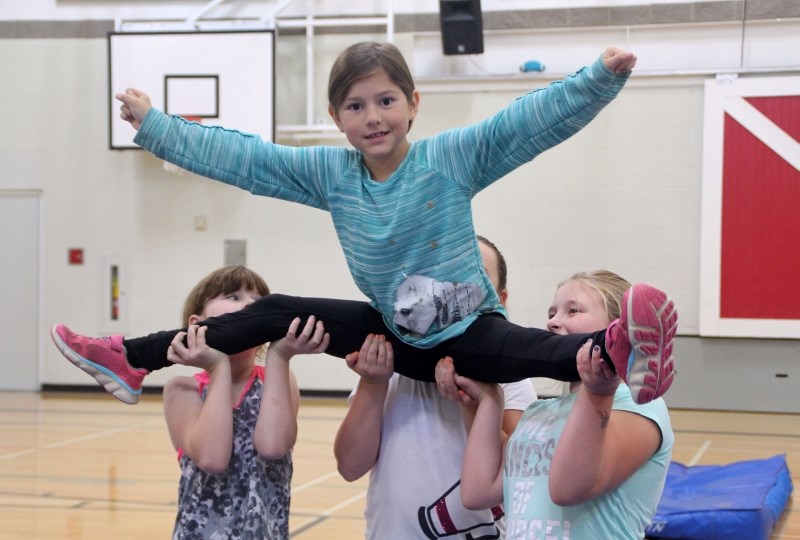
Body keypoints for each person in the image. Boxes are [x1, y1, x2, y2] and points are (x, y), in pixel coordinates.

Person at [50, 41, 677, 407]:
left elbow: (525, 124)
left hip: (466, 329)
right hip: (392, 333)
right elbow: (243, 159)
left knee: (521, 349)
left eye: (385, 101)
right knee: (274, 311)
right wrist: (157, 127)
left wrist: (600, 78)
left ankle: (614, 354)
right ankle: (131, 360)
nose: (373, 117)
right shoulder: (332, 174)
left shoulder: (449, 159)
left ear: (412, 104)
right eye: (355, 106)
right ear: (335, 116)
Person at [436, 270, 674, 539]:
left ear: (618, 325)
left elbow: (568, 488)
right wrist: (486, 400)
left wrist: (597, 393)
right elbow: (480, 490)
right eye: (551, 314)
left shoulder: (640, 406)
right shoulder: (540, 413)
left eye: (573, 311)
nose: (552, 323)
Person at [334, 236, 537, 539]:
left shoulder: (512, 380)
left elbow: (516, 476)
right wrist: (372, 382)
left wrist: (476, 404)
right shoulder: (389, 371)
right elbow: (350, 467)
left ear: (501, 299)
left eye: (474, 278)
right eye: (445, 279)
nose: (458, 292)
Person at [162, 265, 329, 539]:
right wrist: (217, 367)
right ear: (196, 323)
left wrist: (281, 356)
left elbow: (273, 446)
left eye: (259, 300)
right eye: (233, 296)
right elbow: (213, 458)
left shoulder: (281, 379)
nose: (250, 303)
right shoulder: (183, 390)